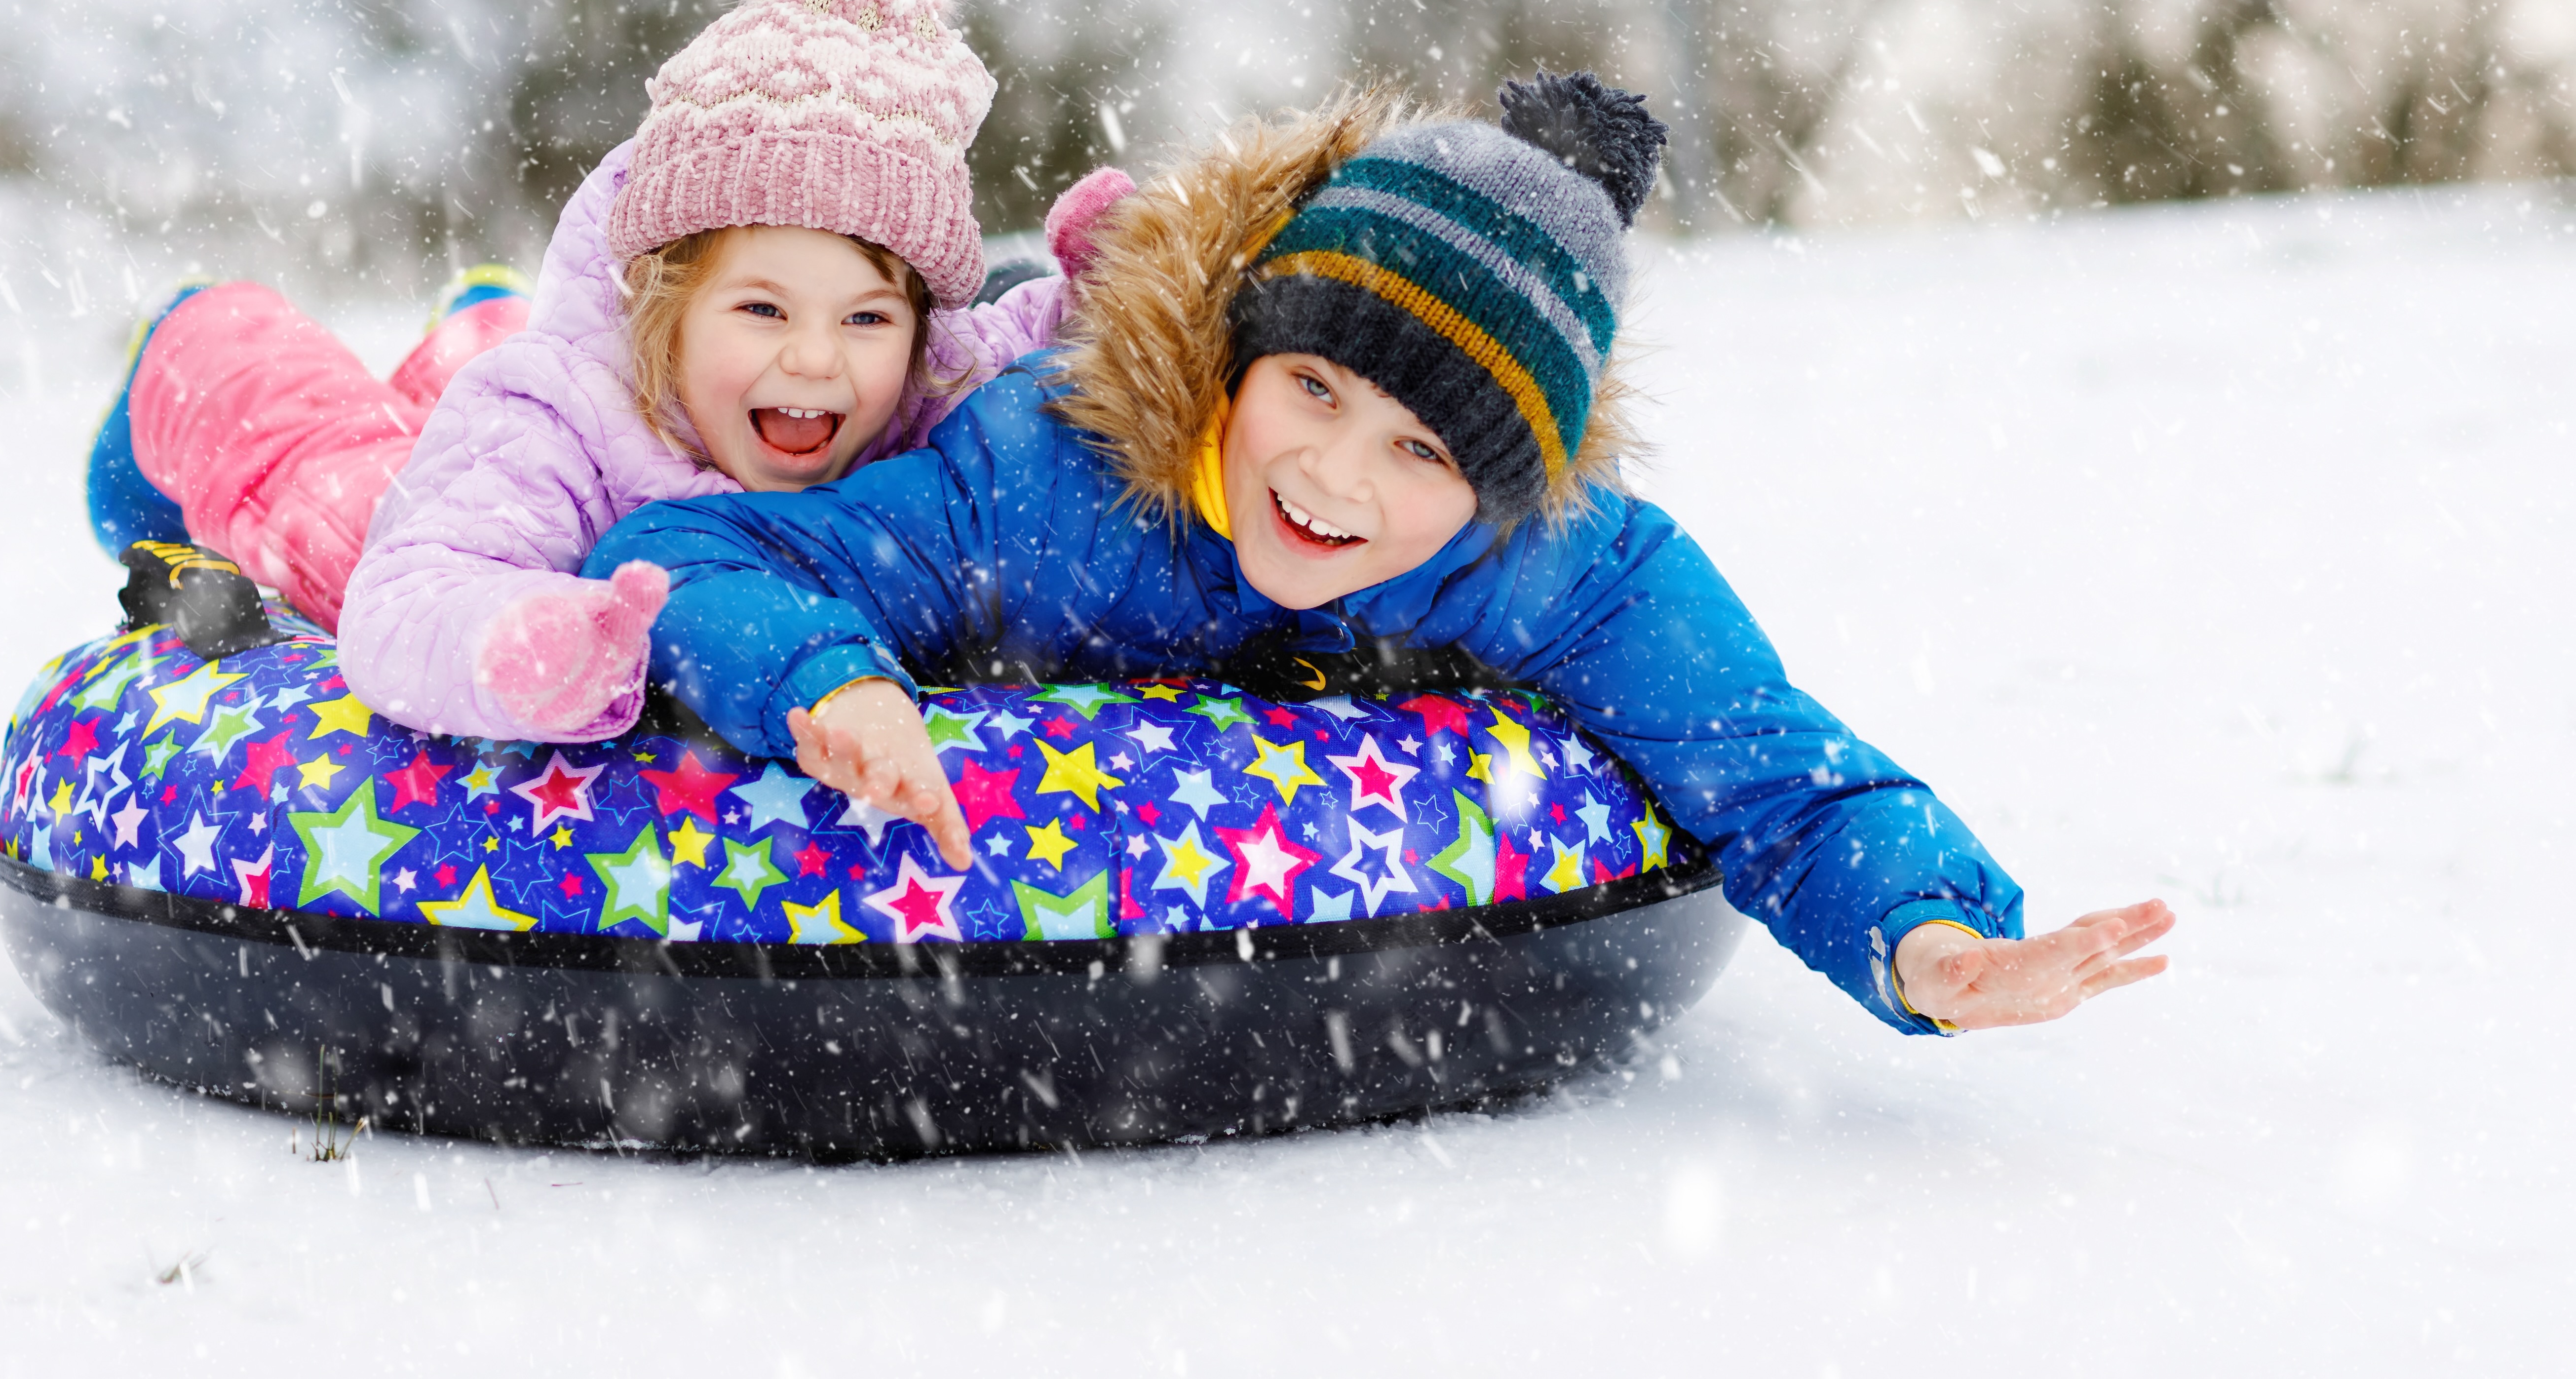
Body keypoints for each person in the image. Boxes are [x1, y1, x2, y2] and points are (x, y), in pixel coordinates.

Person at [583, 76, 2174, 1034]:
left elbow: (1765, 763)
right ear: (1241, 359)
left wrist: (1930, 942)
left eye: (1421, 449)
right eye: (1312, 388)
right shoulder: (1042, 477)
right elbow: (689, 541)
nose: (1332, 476)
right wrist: (827, 675)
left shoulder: (1568, 566)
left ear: (1495, 486)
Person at [82, 0, 1131, 747]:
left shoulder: (913, 394)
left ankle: (473, 322)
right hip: (437, 510)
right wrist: (525, 642)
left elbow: (998, 353)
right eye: (762, 310)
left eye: (865, 317)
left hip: (506, 408)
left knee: (482, 359)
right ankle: (181, 346)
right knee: (320, 461)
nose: (817, 358)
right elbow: (409, 604)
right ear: (663, 304)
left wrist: (1121, 297)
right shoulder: (563, 422)